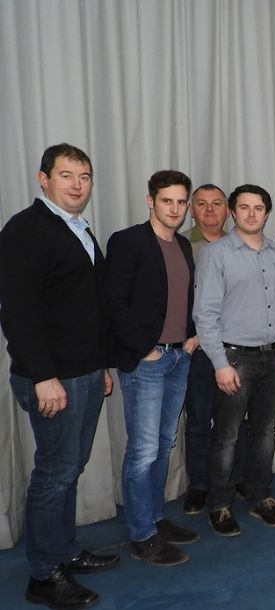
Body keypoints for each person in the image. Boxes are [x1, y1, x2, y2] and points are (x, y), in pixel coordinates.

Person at [0, 143, 118, 608]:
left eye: (84, 176)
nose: (76, 184)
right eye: (66, 175)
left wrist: (102, 364)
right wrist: (43, 376)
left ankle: (64, 551)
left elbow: (87, 307)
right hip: (52, 378)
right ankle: (44, 575)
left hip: (84, 370)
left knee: (70, 469)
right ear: (42, 178)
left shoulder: (78, 228)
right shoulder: (26, 230)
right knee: (55, 472)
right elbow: (18, 311)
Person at [194, 184, 275, 536]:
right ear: (232, 212)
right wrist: (219, 364)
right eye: (245, 207)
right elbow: (205, 314)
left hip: (274, 357)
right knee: (226, 436)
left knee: (265, 432)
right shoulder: (217, 254)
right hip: (234, 357)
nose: (252, 213)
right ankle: (220, 504)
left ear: (267, 213)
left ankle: (258, 496)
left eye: (259, 208)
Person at [106, 170, 199, 566]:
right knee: (143, 450)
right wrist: (144, 349)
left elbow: (184, 296)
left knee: (164, 444)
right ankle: (141, 534)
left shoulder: (182, 244)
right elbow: (114, 302)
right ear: (150, 201)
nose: (175, 209)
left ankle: (156, 519)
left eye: (181, 202)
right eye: (167, 201)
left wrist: (191, 335)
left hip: (179, 357)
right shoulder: (127, 242)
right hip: (147, 361)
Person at [180, 183, 248, 514]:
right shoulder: (181, 245)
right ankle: (199, 484)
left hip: (238, 348)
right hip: (197, 349)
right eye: (202, 204)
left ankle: (235, 478)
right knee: (198, 419)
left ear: (228, 210)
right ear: (191, 210)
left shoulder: (242, 244)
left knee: (235, 420)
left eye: (217, 203)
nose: (209, 210)